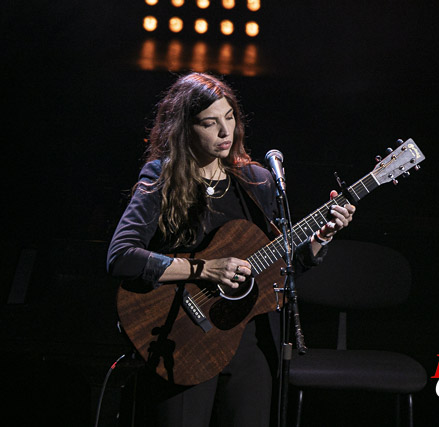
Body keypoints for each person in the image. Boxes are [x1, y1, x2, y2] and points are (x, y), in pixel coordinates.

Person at [107, 72, 355, 427]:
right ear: (185, 128)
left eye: (230, 117)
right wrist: (204, 269)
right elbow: (121, 257)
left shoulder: (256, 182)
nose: (226, 132)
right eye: (210, 123)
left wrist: (320, 238)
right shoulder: (160, 177)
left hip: (245, 342)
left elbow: (276, 275)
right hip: (182, 337)